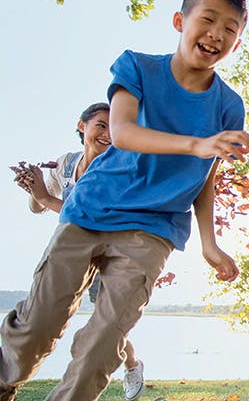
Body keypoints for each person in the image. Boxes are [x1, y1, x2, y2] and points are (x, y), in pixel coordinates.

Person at [0, 0, 249, 400]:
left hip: (153, 230)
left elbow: (207, 176)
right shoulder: (136, 67)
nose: (216, 35)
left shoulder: (228, 106)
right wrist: (195, 144)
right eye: (207, 20)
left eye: (229, 28)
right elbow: (123, 132)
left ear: (237, 42)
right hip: (91, 210)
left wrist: (210, 242)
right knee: (37, 328)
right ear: (180, 22)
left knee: (103, 342)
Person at [12, 102, 148, 400]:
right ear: (81, 126)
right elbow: (38, 206)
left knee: (107, 323)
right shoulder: (65, 164)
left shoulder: (118, 168)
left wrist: (45, 198)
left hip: (112, 252)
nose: (108, 134)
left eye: (114, 127)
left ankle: (132, 365)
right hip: (74, 250)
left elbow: (93, 215)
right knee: (45, 315)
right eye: (101, 125)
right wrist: (33, 187)